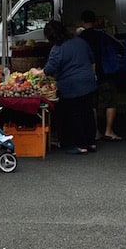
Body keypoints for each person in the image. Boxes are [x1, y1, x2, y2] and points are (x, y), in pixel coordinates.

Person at [32, 20, 97, 155]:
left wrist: (37, 72)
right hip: (88, 81)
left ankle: (81, 145)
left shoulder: (58, 48)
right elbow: (92, 60)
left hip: (71, 85)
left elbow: (50, 68)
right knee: (88, 112)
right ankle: (91, 142)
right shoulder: (80, 41)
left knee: (75, 115)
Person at [78, 9, 124, 141]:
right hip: (105, 72)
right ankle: (109, 130)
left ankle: (96, 132)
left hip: (88, 74)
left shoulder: (80, 39)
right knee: (111, 101)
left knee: (92, 104)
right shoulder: (103, 35)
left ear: (83, 22)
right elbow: (120, 47)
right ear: (95, 21)